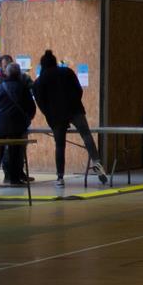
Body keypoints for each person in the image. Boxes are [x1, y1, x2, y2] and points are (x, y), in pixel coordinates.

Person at [33, 50, 107, 186]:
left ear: (42, 64)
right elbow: (79, 90)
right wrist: (73, 103)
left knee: (60, 145)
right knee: (86, 136)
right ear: (55, 62)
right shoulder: (67, 72)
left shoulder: (40, 81)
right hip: (75, 110)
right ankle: (97, 164)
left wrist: (50, 114)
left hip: (56, 116)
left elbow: (40, 102)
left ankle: (60, 178)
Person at [0, 57, 36, 186]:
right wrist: (26, 120)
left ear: (7, 73)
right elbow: (31, 108)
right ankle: (14, 179)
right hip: (17, 125)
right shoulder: (23, 88)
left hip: (0, 125)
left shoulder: (0, 87)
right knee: (15, 151)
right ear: (19, 73)